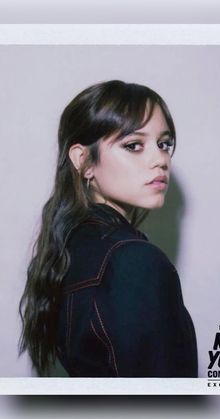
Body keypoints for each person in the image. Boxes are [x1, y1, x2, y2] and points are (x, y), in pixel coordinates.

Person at [19, 80, 198, 377]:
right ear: (84, 161)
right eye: (133, 145)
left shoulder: (70, 248)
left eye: (164, 144)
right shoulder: (134, 260)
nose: (160, 160)